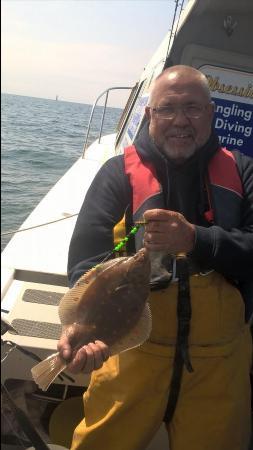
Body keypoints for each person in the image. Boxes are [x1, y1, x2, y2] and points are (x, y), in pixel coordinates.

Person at [58, 65, 253, 450]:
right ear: (149, 115)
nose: (180, 120)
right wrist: (80, 331)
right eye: (167, 109)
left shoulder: (242, 171)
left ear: (211, 114)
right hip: (131, 355)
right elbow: (85, 263)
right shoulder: (118, 174)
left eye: (193, 108)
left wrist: (196, 238)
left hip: (221, 365)